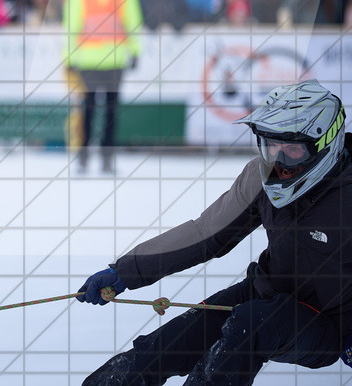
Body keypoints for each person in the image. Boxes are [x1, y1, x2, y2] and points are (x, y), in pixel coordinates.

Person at [78, 79, 352, 385]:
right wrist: (127, 271)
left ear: (325, 144)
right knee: (167, 344)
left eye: (292, 150)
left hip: (329, 323)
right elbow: (206, 233)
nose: (278, 160)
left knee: (250, 325)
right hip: (266, 292)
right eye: (270, 145)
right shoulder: (259, 177)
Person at [63, 0, 143, 174]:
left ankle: (107, 158)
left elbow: (134, 23)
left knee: (110, 113)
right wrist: (69, 57)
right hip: (87, 60)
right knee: (86, 111)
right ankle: (84, 156)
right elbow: (70, 27)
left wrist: (135, 51)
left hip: (116, 61)